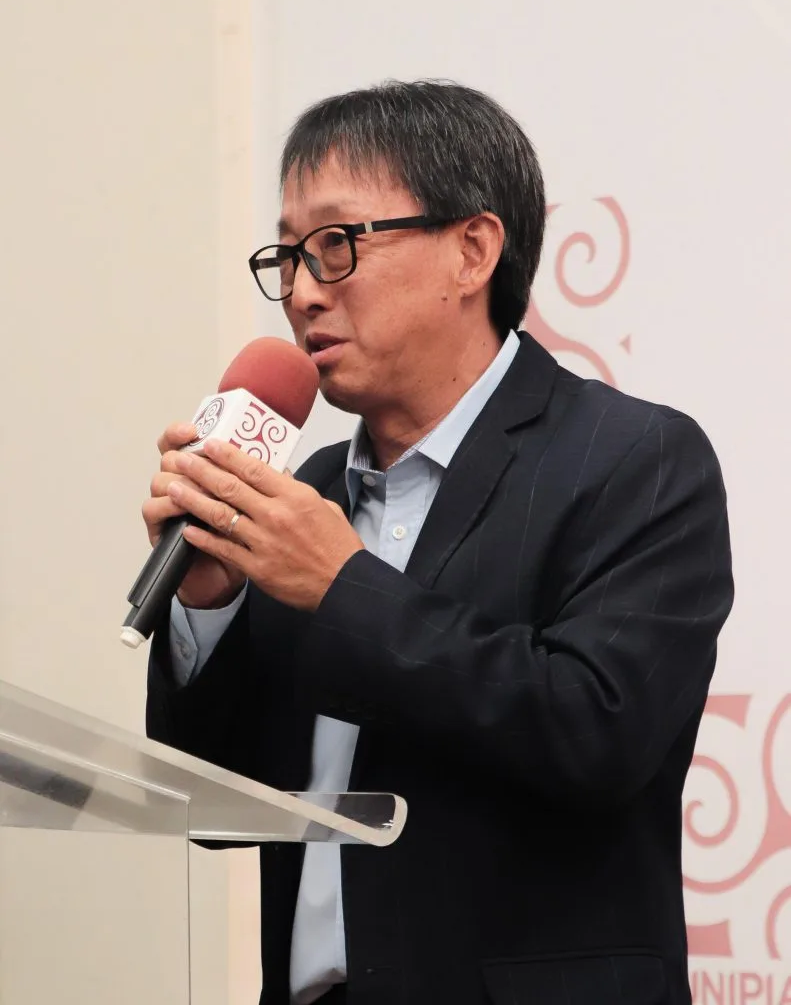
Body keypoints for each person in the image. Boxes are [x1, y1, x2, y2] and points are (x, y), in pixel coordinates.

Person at [144, 81, 733, 1005]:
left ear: (472, 251)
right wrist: (206, 603)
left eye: (335, 245)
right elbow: (216, 808)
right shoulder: (307, 493)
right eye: (287, 255)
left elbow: (597, 735)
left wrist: (343, 588)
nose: (301, 292)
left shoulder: (637, 459)